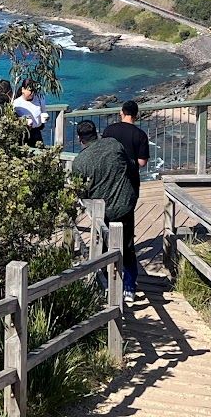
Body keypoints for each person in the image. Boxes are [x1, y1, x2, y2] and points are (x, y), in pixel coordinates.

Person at [70, 119, 139, 298]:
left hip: (102, 210)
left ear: (80, 139)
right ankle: (129, 287)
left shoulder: (80, 162)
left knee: (103, 244)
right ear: (97, 133)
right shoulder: (113, 144)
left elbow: (81, 191)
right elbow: (131, 165)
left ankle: (108, 284)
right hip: (124, 202)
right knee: (128, 245)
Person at [102, 100, 150, 290]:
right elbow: (142, 162)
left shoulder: (109, 130)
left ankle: (106, 278)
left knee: (105, 226)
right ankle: (129, 286)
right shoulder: (140, 134)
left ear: (121, 112)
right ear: (136, 115)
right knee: (127, 233)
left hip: (108, 182)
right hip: (130, 184)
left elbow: (103, 153)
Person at [11, 80, 47, 147]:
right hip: (23, 134)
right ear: (23, 89)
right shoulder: (16, 103)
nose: (32, 93)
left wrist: (44, 119)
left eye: (33, 91)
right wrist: (23, 121)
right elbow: (13, 120)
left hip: (36, 133)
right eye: (30, 91)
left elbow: (43, 112)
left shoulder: (40, 98)